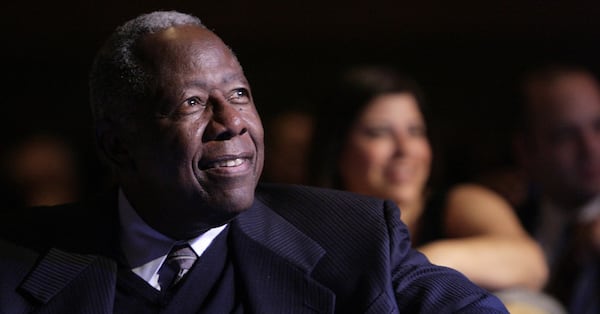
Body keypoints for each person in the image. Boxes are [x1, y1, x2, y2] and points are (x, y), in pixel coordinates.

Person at [0, 10, 508, 313]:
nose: (233, 122)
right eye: (193, 103)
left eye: (240, 94)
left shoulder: (353, 238)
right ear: (117, 146)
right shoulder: (18, 260)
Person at [308, 65, 561, 312]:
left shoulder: (460, 202)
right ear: (337, 147)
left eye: (415, 131)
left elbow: (530, 263)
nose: (405, 150)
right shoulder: (307, 230)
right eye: (380, 133)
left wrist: (415, 263)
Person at [512, 63, 600, 313]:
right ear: (526, 150)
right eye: (566, 135)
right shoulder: (508, 225)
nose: (590, 148)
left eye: (598, 126)